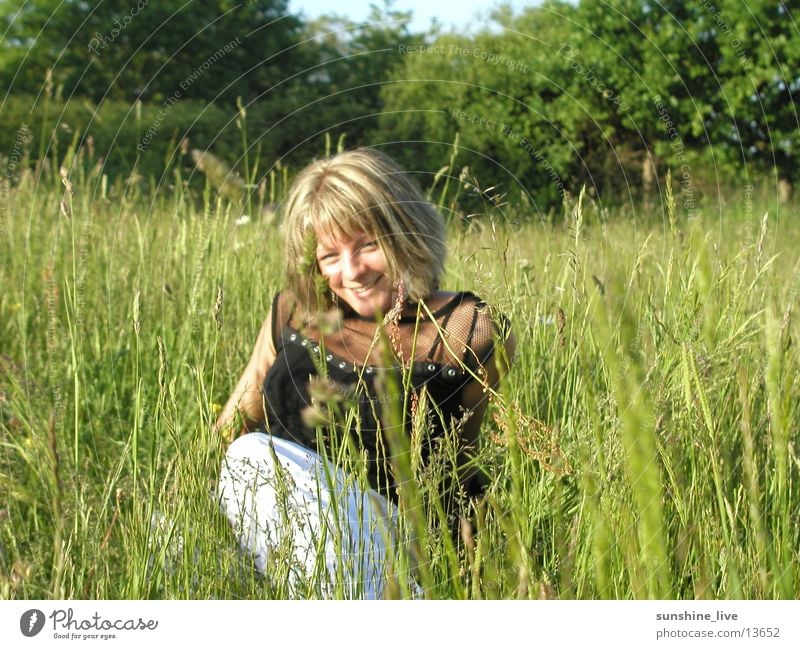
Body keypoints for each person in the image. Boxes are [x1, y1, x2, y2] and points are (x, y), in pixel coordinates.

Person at [213, 148, 515, 598]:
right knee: (246, 457)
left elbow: (459, 460)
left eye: (368, 245)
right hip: (275, 524)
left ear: (404, 234)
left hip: (387, 533)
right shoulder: (293, 311)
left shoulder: (468, 328)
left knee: (253, 457)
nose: (351, 272)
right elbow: (237, 418)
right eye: (329, 255)